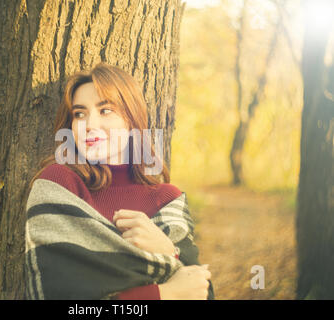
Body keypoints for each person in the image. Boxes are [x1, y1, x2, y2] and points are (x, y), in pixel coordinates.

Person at [29, 62, 214, 300]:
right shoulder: (60, 185)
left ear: (131, 119)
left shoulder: (166, 198)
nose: (90, 125)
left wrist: (169, 251)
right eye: (79, 114)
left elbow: (201, 291)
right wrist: (163, 294)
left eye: (105, 110)